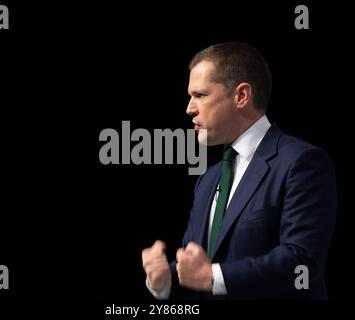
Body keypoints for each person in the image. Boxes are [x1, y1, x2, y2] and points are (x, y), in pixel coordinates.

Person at [141, 42, 337, 299]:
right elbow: (195, 271)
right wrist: (164, 281)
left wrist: (212, 276)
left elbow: (302, 265)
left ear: (241, 96)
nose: (189, 108)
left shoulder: (302, 163)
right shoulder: (207, 180)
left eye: (200, 95)